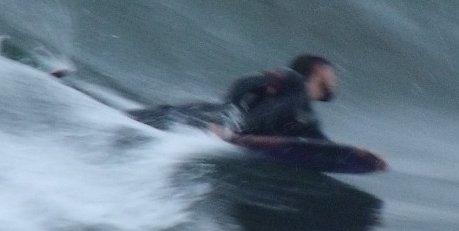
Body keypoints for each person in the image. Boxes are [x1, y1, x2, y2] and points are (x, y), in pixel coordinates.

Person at [127, 54, 338, 139]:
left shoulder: (300, 111)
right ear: (319, 69)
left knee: (136, 123)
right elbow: (246, 83)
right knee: (147, 120)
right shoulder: (293, 81)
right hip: (214, 119)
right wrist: (230, 118)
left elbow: (311, 133)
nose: (335, 80)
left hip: (215, 118)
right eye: (332, 73)